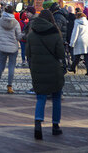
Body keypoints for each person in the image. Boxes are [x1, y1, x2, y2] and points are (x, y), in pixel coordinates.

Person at [27, 9, 65, 139]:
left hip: (38, 71)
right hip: (54, 71)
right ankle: (55, 126)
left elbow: (28, 54)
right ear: (50, 20)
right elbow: (61, 54)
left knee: (41, 98)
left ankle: (38, 123)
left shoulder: (31, 35)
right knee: (56, 98)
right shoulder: (55, 34)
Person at [0, 5, 22, 94]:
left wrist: (0, 38)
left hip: (2, 47)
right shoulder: (16, 22)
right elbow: (19, 36)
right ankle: (9, 87)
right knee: (11, 67)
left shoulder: (0, 20)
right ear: (13, 12)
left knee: (0, 66)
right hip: (13, 48)